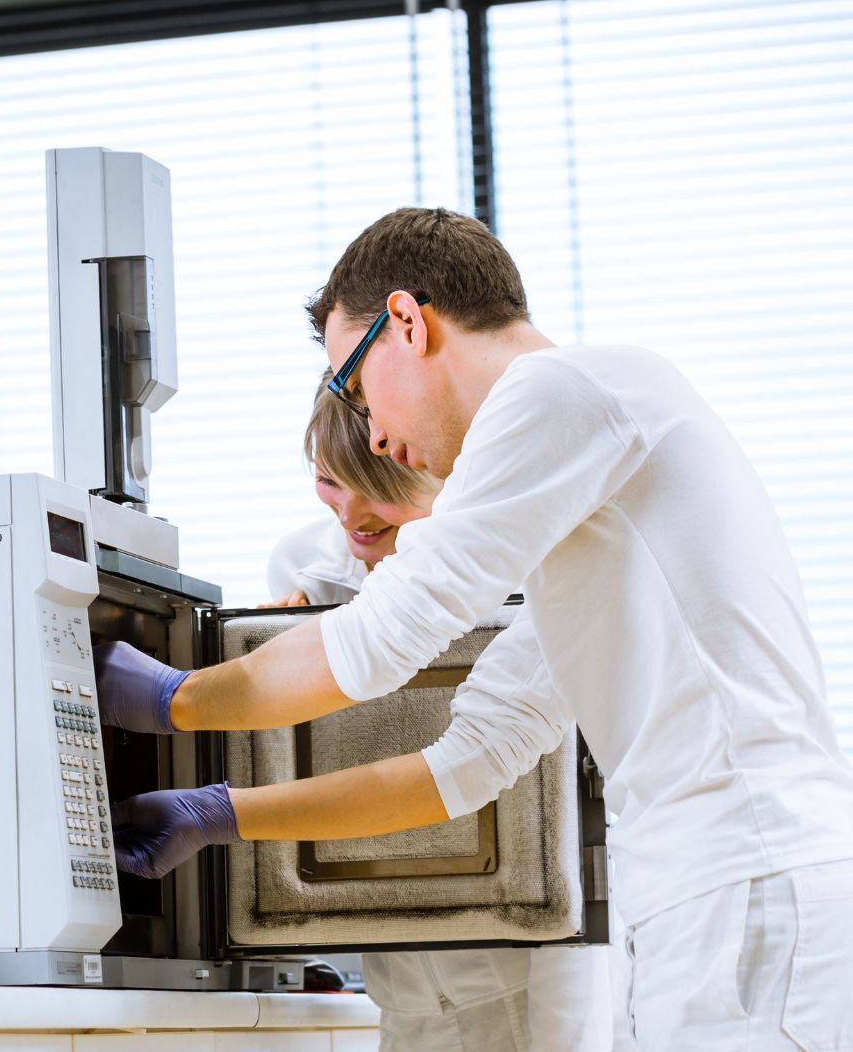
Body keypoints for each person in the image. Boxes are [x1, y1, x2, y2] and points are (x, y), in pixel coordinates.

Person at [97, 208, 853, 1050]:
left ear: (409, 324)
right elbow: (463, 766)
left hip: (743, 888)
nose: (373, 430)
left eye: (352, 384)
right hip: (709, 901)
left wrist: (173, 697)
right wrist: (224, 813)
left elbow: (382, 638)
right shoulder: (585, 526)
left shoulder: (560, 391)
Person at [260, 375, 615, 1050]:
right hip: (400, 974)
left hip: (519, 971)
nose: (351, 515)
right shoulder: (303, 566)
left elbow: (563, 830)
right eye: (330, 482)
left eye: (381, 490)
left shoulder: (527, 574)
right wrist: (285, 644)